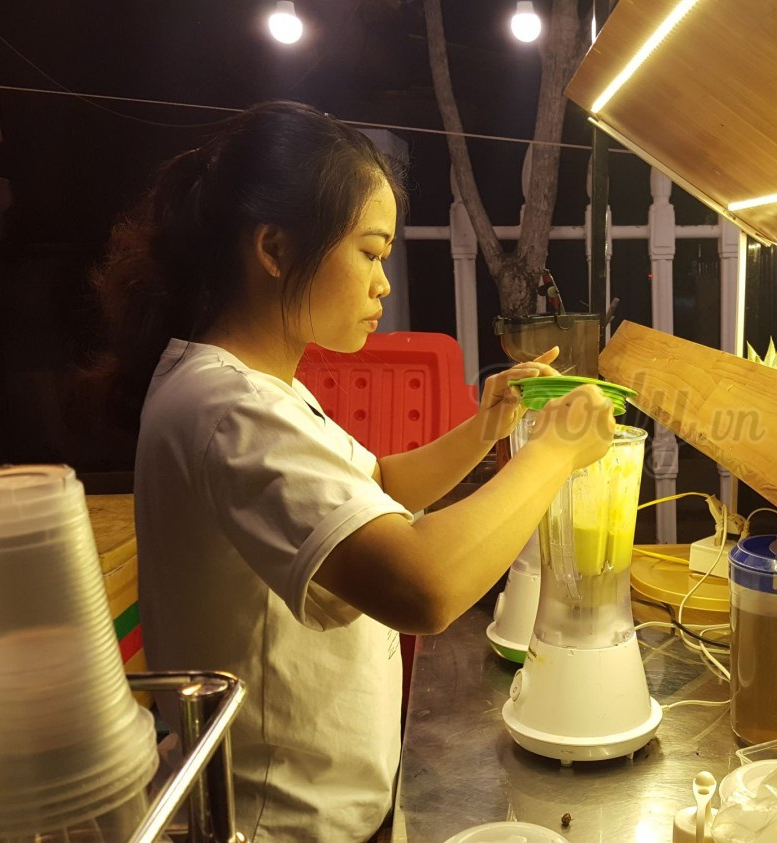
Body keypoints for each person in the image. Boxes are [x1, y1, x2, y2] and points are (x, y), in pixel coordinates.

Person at [86, 101, 614, 841]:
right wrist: (554, 451)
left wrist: (488, 424)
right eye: (369, 253)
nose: (383, 283)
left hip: (317, 808)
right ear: (274, 248)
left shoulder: (256, 389)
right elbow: (422, 586)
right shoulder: (229, 408)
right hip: (281, 825)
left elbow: (378, 490)